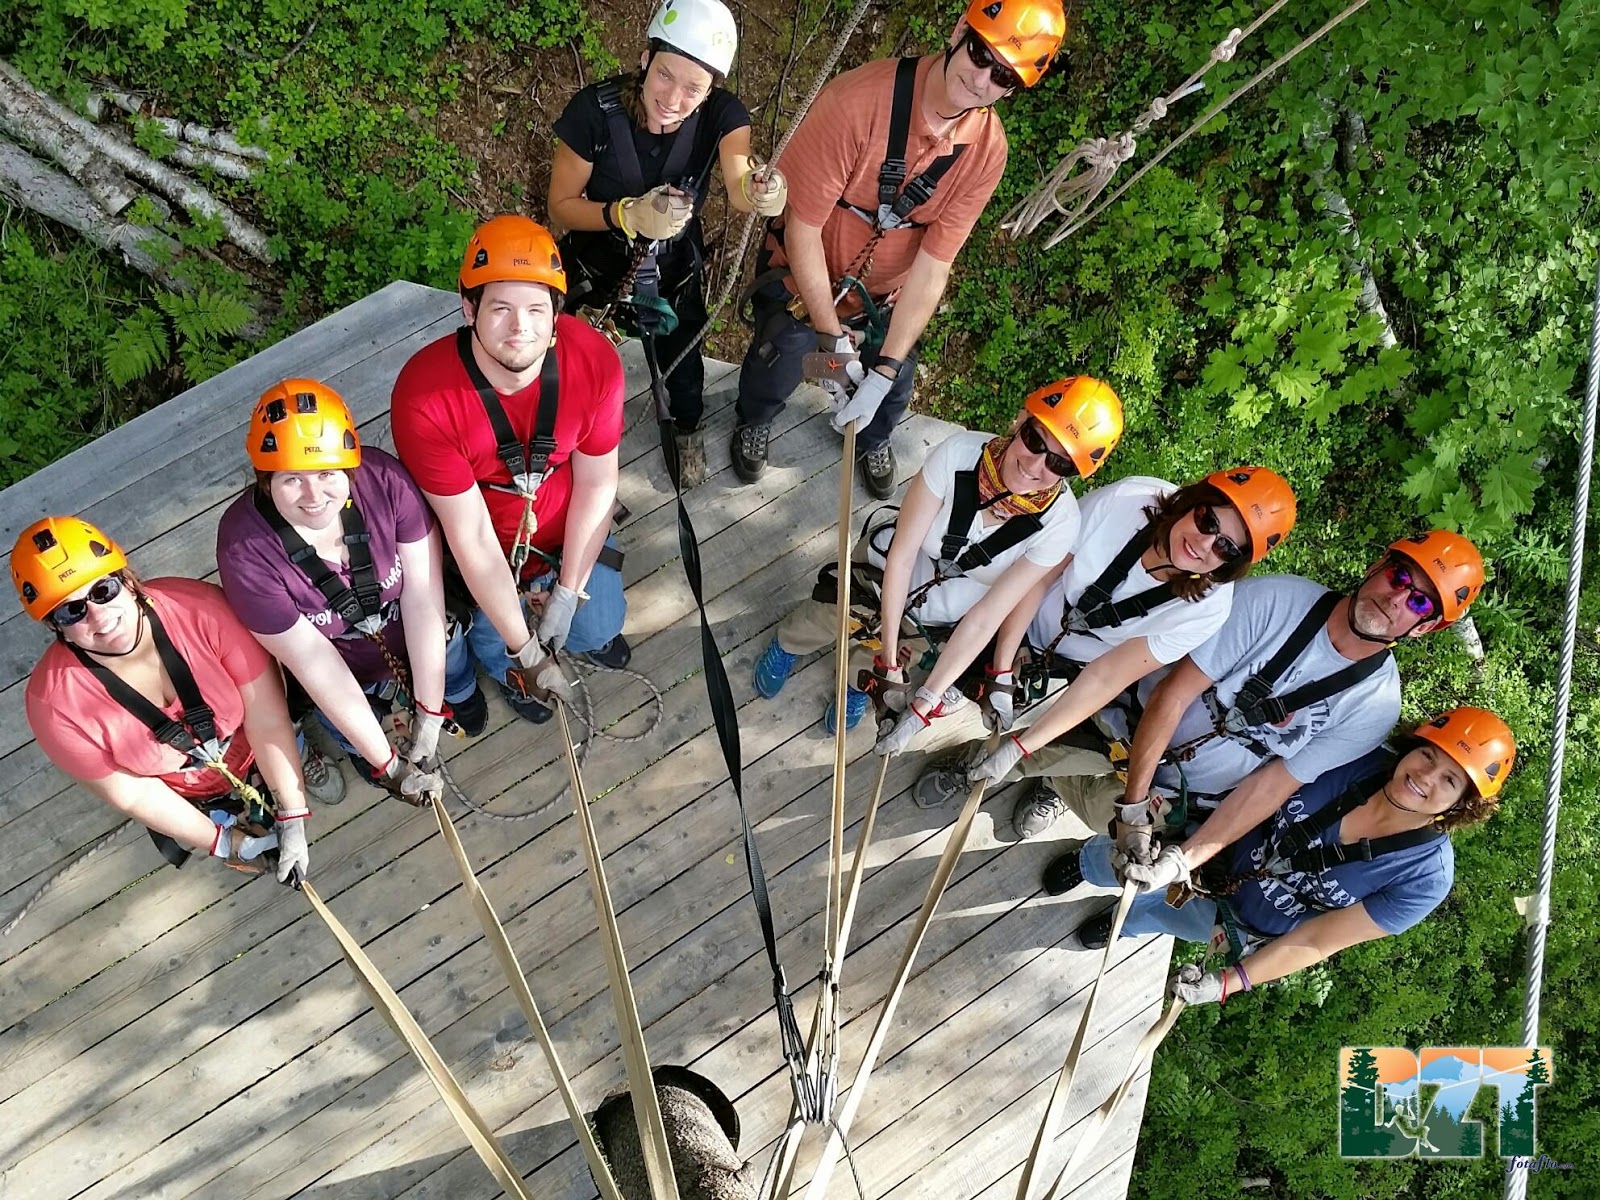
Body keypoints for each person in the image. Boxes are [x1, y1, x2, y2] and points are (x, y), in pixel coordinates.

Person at [730, 0, 1068, 500]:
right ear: (958, 31)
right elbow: (802, 229)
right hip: (801, 283)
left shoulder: (986, 153)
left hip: (879, 299)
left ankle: (870, 435)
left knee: (895, 382)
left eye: (1003, 78)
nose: (981, 81)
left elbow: (934, 267)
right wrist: (831, 341)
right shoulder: (856, 104)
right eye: (980, 54)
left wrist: (882, 369)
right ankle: (756, 418)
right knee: (785, 355)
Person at [1024, 529, 1486, 893]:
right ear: (1377, 566)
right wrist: (1134, 807)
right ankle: (1047, 778)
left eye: (1419, 602)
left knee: (1125, 859)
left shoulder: (1374, 706)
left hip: (1179, 796)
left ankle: (1065, 792)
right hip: (1119, 727)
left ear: (1425, 628)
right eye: (1399, 578)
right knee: (1015, 751)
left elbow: (1272, 785)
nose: (1396, 599)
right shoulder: (1275, 601)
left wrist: (1184, 858)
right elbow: (1175, 692)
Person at [890, 467, 1296, 840]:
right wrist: (1000, 667)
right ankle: (899, 687)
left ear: (1233, 564)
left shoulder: (1207, 609)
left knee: (1045, 736)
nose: (1203, 543)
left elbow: (1108, 676)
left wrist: (1022, 747)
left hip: (1069, 663)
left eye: (1226, 547)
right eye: (1207, 520)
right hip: (1016, 604)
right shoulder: (1127, 502)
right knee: (932, 641)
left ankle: (988, 757)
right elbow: (1039, 575)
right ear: (1192, 502)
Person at [1059, 709, 1515, 1005]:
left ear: (1461, 806)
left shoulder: (1423, 878)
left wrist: (1228, 981)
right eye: (1427, 755)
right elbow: (1262, 788)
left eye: (1450, 781)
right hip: (1212, 851)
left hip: (1240, 920)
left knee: (1158, 918)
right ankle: (1085, 865)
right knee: (1116, 864)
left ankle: (1123, 925)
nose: (1425, 776)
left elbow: (1320, 940)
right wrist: (1185, 854)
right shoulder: (1352, 759)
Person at [753, 376, 1120, 732]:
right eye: (1035, 440)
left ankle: (858, 684)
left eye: (1060, 464)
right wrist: (889, 653)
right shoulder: (957, 456)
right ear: (1021, 419)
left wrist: (925, 699)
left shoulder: (1059, 526)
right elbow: (902, 554)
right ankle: (790, 643)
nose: (1036, 465)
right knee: (828, 614)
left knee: (880, 661)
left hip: (941, 614)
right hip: (884, 573)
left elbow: (986, 618)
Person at [390, 215, 622, 725]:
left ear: (557, 314)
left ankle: (575, 630)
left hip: (563, 540)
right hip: (486, 554)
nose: (521, 328)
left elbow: (599, 482)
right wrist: (527, 652)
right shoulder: (424, 398)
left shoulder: (595, 363)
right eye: (501, 309)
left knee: (600, 621)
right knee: (500, 641)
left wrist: (566, 591)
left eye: (537, 310)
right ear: (468, 308)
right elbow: (469, 535)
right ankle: (511, 673)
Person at [548, 0, 787, 487]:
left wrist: (762, 191)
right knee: (573, 355)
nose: (674, 98)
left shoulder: (723, 115)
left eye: (693, 88)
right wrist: (625, 214)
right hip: (599, 258)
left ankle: (685, 426)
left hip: (673, 265)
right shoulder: (593, 113)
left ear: (710, 90)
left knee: (683, 353)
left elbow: (740, 182)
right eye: (664, 76)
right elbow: (561, 206)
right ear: (645, 59)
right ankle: (565, 436)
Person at [216, 379, 487, 804]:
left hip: (421, 635)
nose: (313, 496)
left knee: (455, 676)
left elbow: (422, 594)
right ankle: (366, 750)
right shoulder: (245, 549)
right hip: (345, 674)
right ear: (265, 480)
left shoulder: (382, 482)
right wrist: (388, 762)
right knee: (356, 734)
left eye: (326, 473)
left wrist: (430, 712)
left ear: (347, 466)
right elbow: (312, 660)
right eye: (292, 480)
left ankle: (460, 695)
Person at [15, 517, 317, 882]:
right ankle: (226, 812)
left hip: (255, 740)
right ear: (55, 626)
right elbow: (135, 795)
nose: (98, 615)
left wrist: (293, 813)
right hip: (184, 789)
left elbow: (267, 717)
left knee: (283, 749)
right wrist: (224, 841)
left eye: (103, 590)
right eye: (71, 610)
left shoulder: (200, 611)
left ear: (127, 580)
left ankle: (289, 771)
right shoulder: (56, 706)